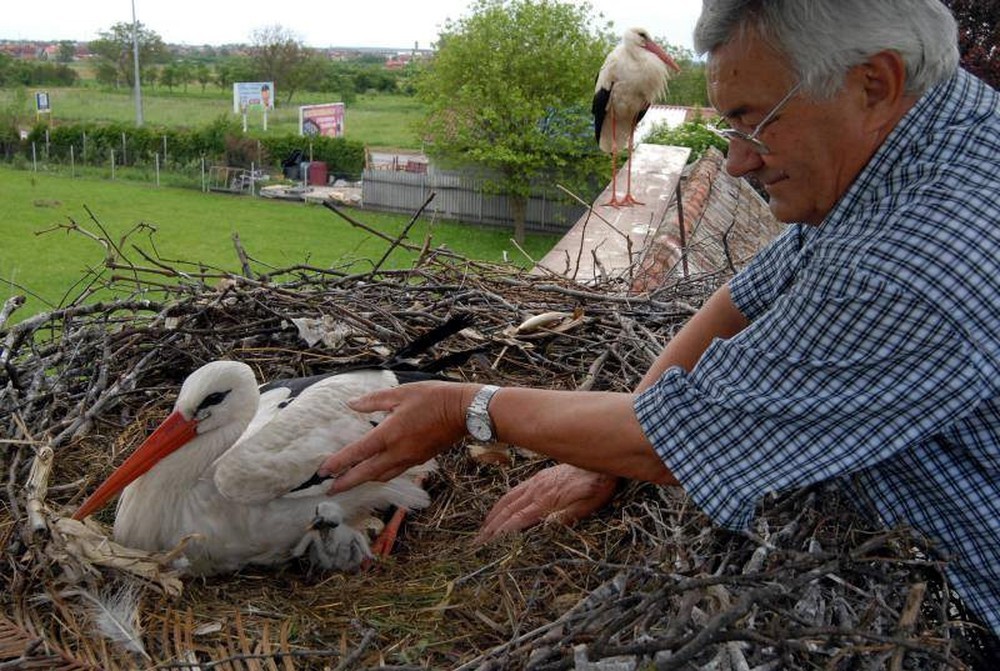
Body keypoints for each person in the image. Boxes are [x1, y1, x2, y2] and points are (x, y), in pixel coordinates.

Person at [321, 0, 1000, 646]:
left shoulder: (915, 260)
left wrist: (464, 406)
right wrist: (613, 447)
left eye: (753, 122)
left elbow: (680, 440)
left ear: (874, 82)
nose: (734, 161)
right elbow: (745, 295)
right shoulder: (927, 147)